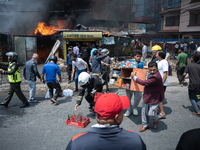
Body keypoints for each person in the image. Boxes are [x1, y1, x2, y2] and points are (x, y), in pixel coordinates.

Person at [67, 93, 146, 150]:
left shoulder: (76, 142)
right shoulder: (135, 139)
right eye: (122, 111)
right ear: (117, 118)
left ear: (97, 116)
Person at [131, 61, 164, 132]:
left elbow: (144, 83)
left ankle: (155, 120)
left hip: (155, 97)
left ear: (157, 69)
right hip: (148, 95)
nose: (152, 71)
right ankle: (145, 124)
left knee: (151, 113)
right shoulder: (150, 73)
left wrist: (134, 77)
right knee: (144, 111)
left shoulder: (156, 77)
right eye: (150, 70)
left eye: (154, 70)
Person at [124, 50, 143, 117]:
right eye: (137, 56)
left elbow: (141, 73)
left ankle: (135, 107)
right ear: (134, 56)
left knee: (138, 96)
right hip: (129, 82)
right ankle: (128, 109)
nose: (139, 58)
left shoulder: (140, 64)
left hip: (137, 83)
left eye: (140, 56)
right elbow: (125, 68)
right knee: (128, 96)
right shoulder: (130, 62)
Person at [156, 50, 168, 119]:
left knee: (158, 97)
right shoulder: (158, 62)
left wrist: (161, 83)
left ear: (160, 56)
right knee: (157, 96)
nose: (155, 55)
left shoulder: (164, 62)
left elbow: (165, 74)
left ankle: (162, 112)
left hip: (161, 83)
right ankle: (158, 110)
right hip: (157, 82)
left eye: (157, 54)